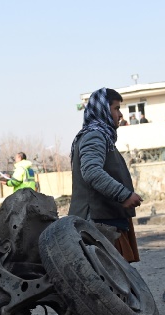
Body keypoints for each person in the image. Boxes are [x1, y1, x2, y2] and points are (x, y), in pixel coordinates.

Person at [69, 87, 143, 263]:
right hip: (98, 222)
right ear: (103, 109)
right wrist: (123, 195)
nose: (120, 114)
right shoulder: (95, 136)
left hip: (108, 219)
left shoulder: (104, 137)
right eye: (116, 108)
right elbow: (92, 172)